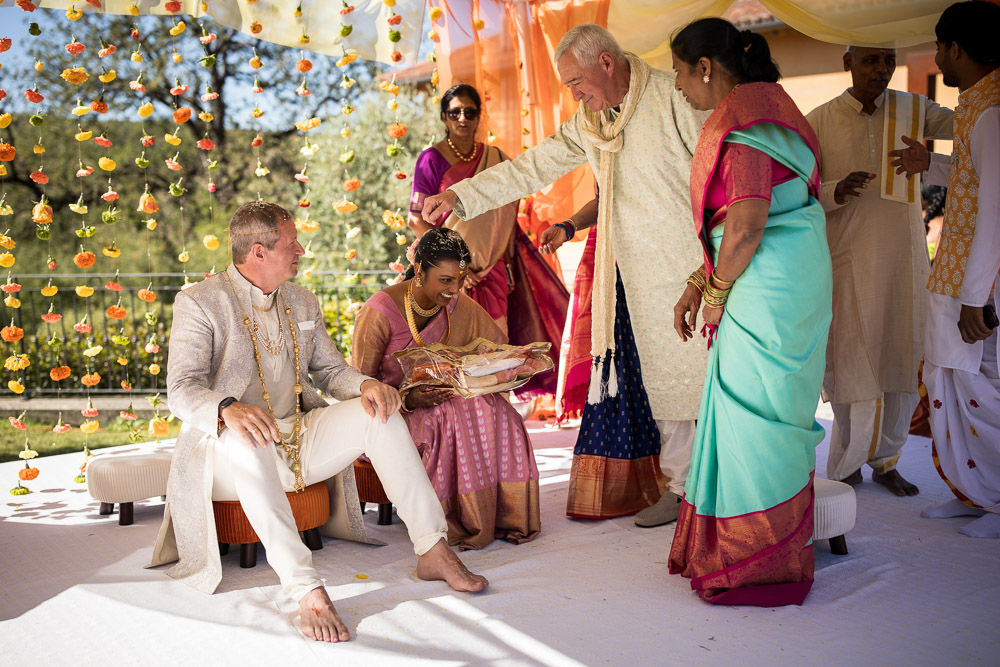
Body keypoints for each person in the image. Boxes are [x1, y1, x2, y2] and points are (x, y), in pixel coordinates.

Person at [152, 201, 488, 643]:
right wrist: (227, 409)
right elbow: (181, 388)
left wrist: (366, 385)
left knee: (379, 415)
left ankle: (432, 547)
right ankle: (305, 590)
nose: (302, 251)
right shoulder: (199, 301)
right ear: (259, 252)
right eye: (292, 244)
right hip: (226, 454)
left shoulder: (301, 300)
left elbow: (330, 371)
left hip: (297, 437)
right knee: (246, 440)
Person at [423, 24, 710, 526]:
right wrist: (461, 196)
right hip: (636, 272)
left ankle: (729, 494)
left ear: (606, 61)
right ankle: (683, 488)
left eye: (577, 81)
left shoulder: (671, 96)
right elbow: (531, 167)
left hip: (694, 267)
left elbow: (716, 172)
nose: (574, 94)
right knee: (665, 384)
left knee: (711, 380)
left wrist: (719, 258)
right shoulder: (592, 121)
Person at [666, 18, 832, 605]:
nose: (681, 88)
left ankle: (758, 560)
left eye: (682, 75)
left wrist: (714, 296)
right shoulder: (775, 105)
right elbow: (750, 222)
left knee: (754, 417)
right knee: (767, 411)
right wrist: (702, 279)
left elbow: (746, 225)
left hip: (766, 284)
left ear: (705, 68)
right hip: (789, 276)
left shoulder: (745, 120)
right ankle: (756, 545)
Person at [805, 47, 953, 496]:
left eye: (888, 60)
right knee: (851, 356)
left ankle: (887, 460)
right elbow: (800, 185)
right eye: (870, 60)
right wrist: (834, 189)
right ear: (848, 61)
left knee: (898, 353)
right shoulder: (818, 120)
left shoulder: (914, 109)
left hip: (903, 257)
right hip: (847, 255)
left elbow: (972, 125)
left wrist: (932, 161)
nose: (881, 70)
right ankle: (848, 462)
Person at [351, 228, 541, 550]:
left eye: (460, 279)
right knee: (448, 415)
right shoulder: (380, 311)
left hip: (451, 400)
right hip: (392, 414)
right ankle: (453, 520)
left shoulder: (459, 305)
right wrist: (410, 399)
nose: (455, 290)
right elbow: (358, 385)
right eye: (445, 280)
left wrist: (503, 364)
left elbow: (495, 347)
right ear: (420, 271)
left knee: (500, 412)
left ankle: (503, 515)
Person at [889, 0, 1000, 539]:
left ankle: (997, 500)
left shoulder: (994, 110)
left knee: (984, 392)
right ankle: (978, 494)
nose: (936, 58)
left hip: (975, 287)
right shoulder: (979, 107)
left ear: (956, 49)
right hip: (958, 279)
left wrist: (978, 299)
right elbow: (974, 176)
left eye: (938, 47)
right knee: (952, 382)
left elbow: (995, 209)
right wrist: (926, 163)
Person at [408, 84, 569, 375]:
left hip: (491, 268)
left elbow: (506, 215)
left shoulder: (497, 160)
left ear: (478, 117)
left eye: (469, 112)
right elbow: (416, 219)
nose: (462, 118)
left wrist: (502, 262)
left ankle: (494, 413)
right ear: (444, 117)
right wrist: (453, 267)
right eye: (455, 112)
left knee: (496, 350)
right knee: (451, 351)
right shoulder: (430, 160)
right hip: (447, 275)